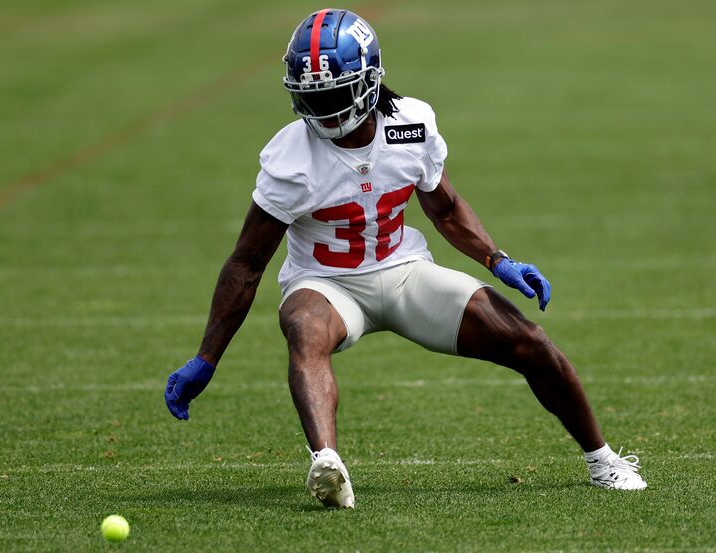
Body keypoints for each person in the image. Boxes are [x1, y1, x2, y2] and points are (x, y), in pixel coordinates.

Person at [164, 8, 646, 508]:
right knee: (305, 328)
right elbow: (247, 264)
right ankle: (326, 463)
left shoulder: (410, 124)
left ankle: (602, 459)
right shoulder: (290, 158)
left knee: (528, 340)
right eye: (311, 96)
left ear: (370, 82)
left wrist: (497, 260)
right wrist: (207, 357)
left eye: (332, 93)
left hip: (402, 271)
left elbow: (446, 209)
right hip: (326, 284)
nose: (322, 108)